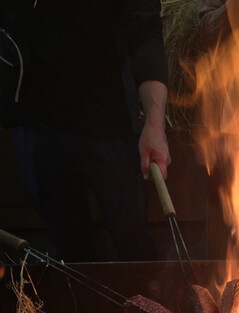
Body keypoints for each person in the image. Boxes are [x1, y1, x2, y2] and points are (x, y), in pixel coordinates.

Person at [2, 1, 170, 262]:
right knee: (68, 254)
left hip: (111, 127)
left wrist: (155, 124)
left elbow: (144, 30)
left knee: (135, 245)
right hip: (39, 128)